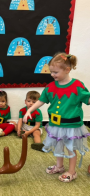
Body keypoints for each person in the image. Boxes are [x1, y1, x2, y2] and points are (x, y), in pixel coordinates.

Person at [23, 52, 90, 182]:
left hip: (71, 125)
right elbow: (41, 100)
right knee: (58, 145)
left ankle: (72, 171)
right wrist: (29, 110)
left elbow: (88, 99)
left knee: (70, 148)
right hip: (55, 125)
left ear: (67, 70)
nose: (52, 75)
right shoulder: (50, 87)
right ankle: (59, 166)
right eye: (51, 72)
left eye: (55, 72)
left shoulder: (77, 86)